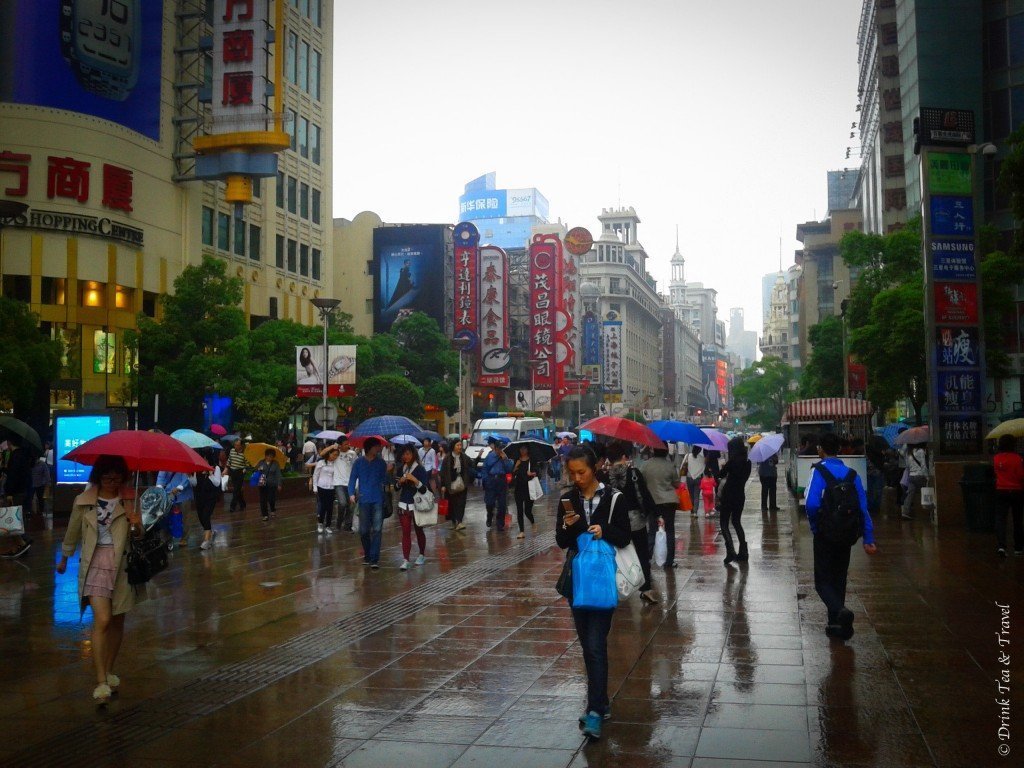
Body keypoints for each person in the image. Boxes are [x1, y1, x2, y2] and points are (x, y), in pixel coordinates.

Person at [556, 446, 631, 741]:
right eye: (572, 472)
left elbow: (625, 535)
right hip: (577, 582)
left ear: (595, 468)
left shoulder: (614, 498)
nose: (576, 478)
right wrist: (571, 527)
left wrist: (604, 530)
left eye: (582, 472)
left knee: (596, 644)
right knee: (588, 646)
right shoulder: (567, 499)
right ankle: (600, 702)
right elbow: (562, 541)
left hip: (601, 581)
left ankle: (595, 711)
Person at [56, 455, 143, 703]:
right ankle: (101, 681)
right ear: (98, 475)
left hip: (122, 566)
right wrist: (64, 558)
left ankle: (109, 669)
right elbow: (72, 531)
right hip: (94, 563)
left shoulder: (129, 498)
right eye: (107, 474)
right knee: (102, 620)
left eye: (116, 474)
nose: (112, 479)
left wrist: (136, 524)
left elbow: (139, 536)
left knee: (117, 621)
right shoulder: (83, 501)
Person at [804, 432, 877, 640]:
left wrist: (816, 526)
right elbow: (864, 509)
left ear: (821, 449)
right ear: (839, 449)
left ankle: (840, 611)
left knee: (822, 582)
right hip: (847, 534)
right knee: (839, 578)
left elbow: (811, 503)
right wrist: (868, 538)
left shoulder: (818, 471)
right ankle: (837, 625)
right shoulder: (852, 475)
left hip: (825, 534)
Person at [604, 441, 658, 603]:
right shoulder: (634, 472)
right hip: (635, 520)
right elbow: (644, 495)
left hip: (613, 522)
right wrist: (653, 513)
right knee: (642, 553)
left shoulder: (604, 475)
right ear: (623, 456)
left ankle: (615, 586)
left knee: (615, 554)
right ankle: (646, 588)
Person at [350, 437, 388, 569]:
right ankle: (367, 554)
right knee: (364, 530)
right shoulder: (358, 463)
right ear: (370, 448)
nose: (379, 448)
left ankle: (374, 558)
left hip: (378, 499)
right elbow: (352, 478)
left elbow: (385, 481)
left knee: (377, 529)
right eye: (377, 446)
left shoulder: (381, 463)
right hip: (364, 499)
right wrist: (351, 494)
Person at [641, 447, 681, 570]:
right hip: (669, 502)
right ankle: (669, 561)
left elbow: (641, 482)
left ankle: (647, 557)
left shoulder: (645, 465)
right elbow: (677, 484)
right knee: (670, 531)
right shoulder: (670, 465)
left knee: (652, 530)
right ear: (666, 451)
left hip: (652, 502)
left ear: (654, 451)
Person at [395, 444, 431, 570]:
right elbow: (395, 487)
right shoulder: (401, 469)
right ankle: (406, 559)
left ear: (413, 454)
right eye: (404, 454)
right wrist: (400, 482)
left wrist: (415, 480)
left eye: (408, 454)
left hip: (417, 504)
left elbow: (424, 489)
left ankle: (421, 554)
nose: (406, 456)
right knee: (405, 532)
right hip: (403, 504)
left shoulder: (420, 469)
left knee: (418, 530)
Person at [719, 437, 752, 566]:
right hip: (740, 495)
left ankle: (730, 550)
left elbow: (721, 474)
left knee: (724, 523)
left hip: (728, 495)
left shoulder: (732, 462)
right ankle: (743, 551)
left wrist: (724, 467)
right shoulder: (747, 462)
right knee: (737, 522)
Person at [0, 436, 33, 558]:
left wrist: (9, 493)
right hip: (23, 491)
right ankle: (22, 544)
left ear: (9, 442)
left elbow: (14, 476)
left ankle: (23, 542)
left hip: (16, 492)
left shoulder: (16, 456)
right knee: (16, 519)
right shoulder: (23, 455)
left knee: (12, 520)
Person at [993, 434, 1024, 557]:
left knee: (1001, 519)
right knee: (1018, 519)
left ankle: (1001, 546)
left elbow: (996, 473)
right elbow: (1021, 476)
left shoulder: (996, 458)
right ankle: (1018, 548)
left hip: (1001, 491)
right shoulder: (1017, 458)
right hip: (1017, 491)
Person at [155, 468, 195, 549]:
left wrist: (179, 487)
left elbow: (186, 479)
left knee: (184, 518)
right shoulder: (164, 464)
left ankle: (184, 538)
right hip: (168, 495)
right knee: (167, 518)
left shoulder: (183, 464)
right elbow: (160, 478)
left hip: (184, 495)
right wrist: (159, 487)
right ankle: (167, 539)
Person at [440, 439, 472, 530]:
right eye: (458, 445)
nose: (459, 447)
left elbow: (471, 464)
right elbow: (443, 472)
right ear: (453, 446)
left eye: (460, 445)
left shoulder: (464, 457)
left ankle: (460, 521)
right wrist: (443, 485)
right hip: (450, 484)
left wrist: (478, 457)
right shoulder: (448, 458)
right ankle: (454, 522)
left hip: (462, 483)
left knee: (461, 503)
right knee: (452, 504)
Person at [482, 437, 513, 531]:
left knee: (502, 504)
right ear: (495, 448)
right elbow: (484, 469)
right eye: (499, 448)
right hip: (491, 480)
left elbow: (509, 469)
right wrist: (486, 480)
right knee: (490, 502)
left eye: (502, 448)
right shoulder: (490, 456)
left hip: (501, 481)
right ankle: (490, 514)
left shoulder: (505, 457)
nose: (501, 450)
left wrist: (505, 460)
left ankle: (500, 523)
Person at [193, 456, 221, 550]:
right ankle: (210, 533)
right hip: (200, 496)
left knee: (206, 515)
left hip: (211, 497)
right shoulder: (198, 468)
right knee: (201, 516)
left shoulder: (215, 468)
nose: (204, 460)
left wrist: (210, 474)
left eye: (206, 458)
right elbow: (194, 483)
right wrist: (189, 476)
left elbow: (217, 483)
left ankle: (207, 540)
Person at [511, 444, 538, 539]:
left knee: (527, 511)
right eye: (521, 449)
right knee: (519, 510)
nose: (522, 450)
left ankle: (533, 522)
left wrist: (532, 473)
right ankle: (521, 531)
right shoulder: (517, 460)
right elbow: (512, 473)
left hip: (529, 488)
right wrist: (516, 466)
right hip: (518, 488)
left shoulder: (532, 460)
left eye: (524, 449)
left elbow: (537, 472)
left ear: (527, 449)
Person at [311, 444, 339, 534]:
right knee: (322, 506)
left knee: (330, 507)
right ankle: (320, 523)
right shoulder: (321, 462)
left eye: (336, 455)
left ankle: (328, 525)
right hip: (321, 487)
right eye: (334, 454)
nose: (335, 457)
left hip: (331, 487)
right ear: (329, 454)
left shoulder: (335, 464)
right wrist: (315, 487)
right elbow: (316, 475)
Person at [332, 438, 358, 531]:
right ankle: (339, 522)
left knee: (351, 506)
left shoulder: (353, 453)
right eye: (345, 444)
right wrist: (333, 446)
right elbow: (322, 454)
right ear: (340, 445)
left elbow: (356, 466)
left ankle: (348, 525)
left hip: (351, 483)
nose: (348, 445)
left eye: (348, 444)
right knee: (342, 503)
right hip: (338, 483)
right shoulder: (335, 453)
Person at [901, 443, 929, 520]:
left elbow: (907, 465)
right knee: (924, 492)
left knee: (910, 494)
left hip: (911, 476)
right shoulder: (920, 451)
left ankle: (905, 512)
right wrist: (927, 477)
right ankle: (925, 512)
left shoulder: (908, 452)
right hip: (920, 476)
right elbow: (923, 465)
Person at [254, 449, 283, 521]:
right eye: (268, 456)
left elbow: (278, 474)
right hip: (262, 483)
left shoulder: (275, 463)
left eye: (271, 456)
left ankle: (272, 509)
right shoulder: (261, 462)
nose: (269, 458)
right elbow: (256, 471)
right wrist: (259, 469)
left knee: (271, 498)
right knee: (263, 500)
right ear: (265, 456)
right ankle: (265, 515)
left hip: (272, 484)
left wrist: (279, 484)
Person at [680, 446, 706, 517]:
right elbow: (703, 469)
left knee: (691, 495)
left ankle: (692, 511)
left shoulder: (687, 456)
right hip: (698, 479)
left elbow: (682, 466)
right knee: (696, 496)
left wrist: (682, 480)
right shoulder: (702, 458)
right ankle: (695, 512)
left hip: (689, 478)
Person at [226, 438, 248, 513]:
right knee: (237, 490)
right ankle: (243, 504)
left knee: (236, 490)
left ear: (241, 445)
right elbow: (229, 460)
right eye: (235, 445)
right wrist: (226, 469)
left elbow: (247, 464)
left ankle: (232, 506)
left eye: (238, 445)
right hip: (233, 472)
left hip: (240, 472)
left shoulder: (245, 453)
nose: (236, 446)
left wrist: (244, 470)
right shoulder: (232, 451)